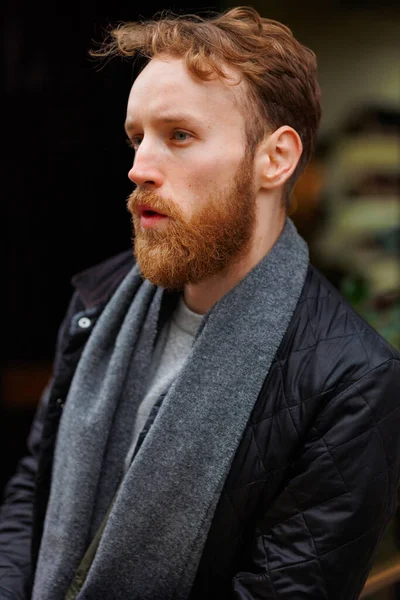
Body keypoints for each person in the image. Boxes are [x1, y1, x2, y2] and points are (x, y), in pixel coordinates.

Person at [1, 6, 399, 600]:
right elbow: (32, 493)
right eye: (137, 139)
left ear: (275, 158)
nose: (139, 169)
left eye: (179, 136)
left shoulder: (352, 381)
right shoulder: (98, 300)